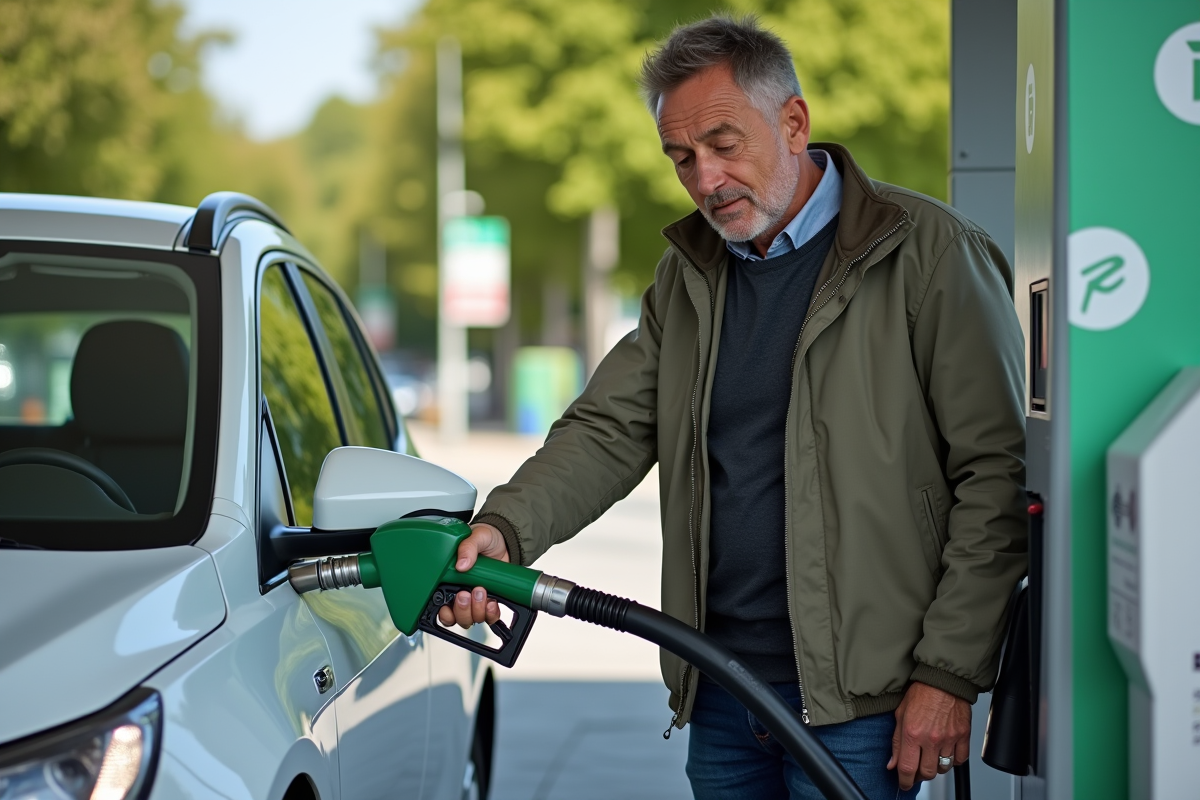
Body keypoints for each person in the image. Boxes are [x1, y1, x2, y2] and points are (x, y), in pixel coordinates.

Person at [439, 14, 1026, 799]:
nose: (705, 180)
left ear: (794, 123)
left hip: (865, 703)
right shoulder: (689, 276)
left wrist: (948, 674)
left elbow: (994, 478)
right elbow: (608, 430)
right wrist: (505, 530)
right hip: (722, 686)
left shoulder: (929, 254)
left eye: (723, 144)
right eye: (682, 157)